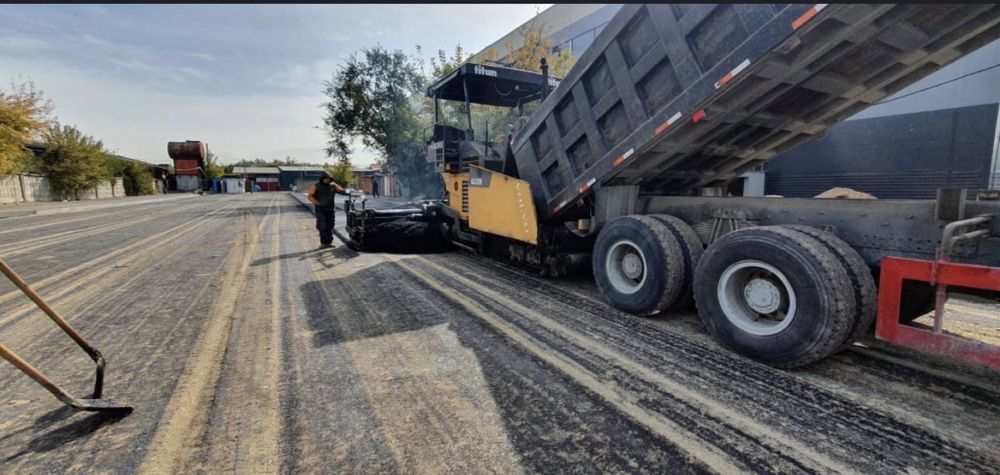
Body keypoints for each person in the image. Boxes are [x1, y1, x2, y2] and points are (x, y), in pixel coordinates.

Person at [307, 172, 349, 248]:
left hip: (330, 209)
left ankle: (329, 243)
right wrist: (316, 203)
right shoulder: (316, 186)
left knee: (330, 226)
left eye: (328, 179)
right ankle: (323, 243)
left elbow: (341, 190)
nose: (327, 180)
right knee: (322, 226)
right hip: (320, 209)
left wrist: (347, 192)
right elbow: (310, 196)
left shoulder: (333, 185)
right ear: (322, 179)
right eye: (325, 179)